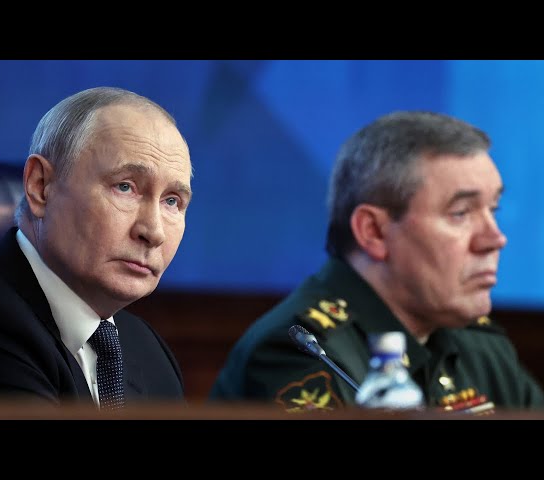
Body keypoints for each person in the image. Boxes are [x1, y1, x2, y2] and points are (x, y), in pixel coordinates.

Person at [210, 111, 544, 413]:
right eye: (460, 213)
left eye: (494, 209)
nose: (494, 239)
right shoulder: (302, 351)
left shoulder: (478, 343)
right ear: (374, 232)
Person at [0, 86, 193, 410]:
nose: (153, 232)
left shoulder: (149, 352)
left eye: (172, 201)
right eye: (125, 187)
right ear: (41, 187)